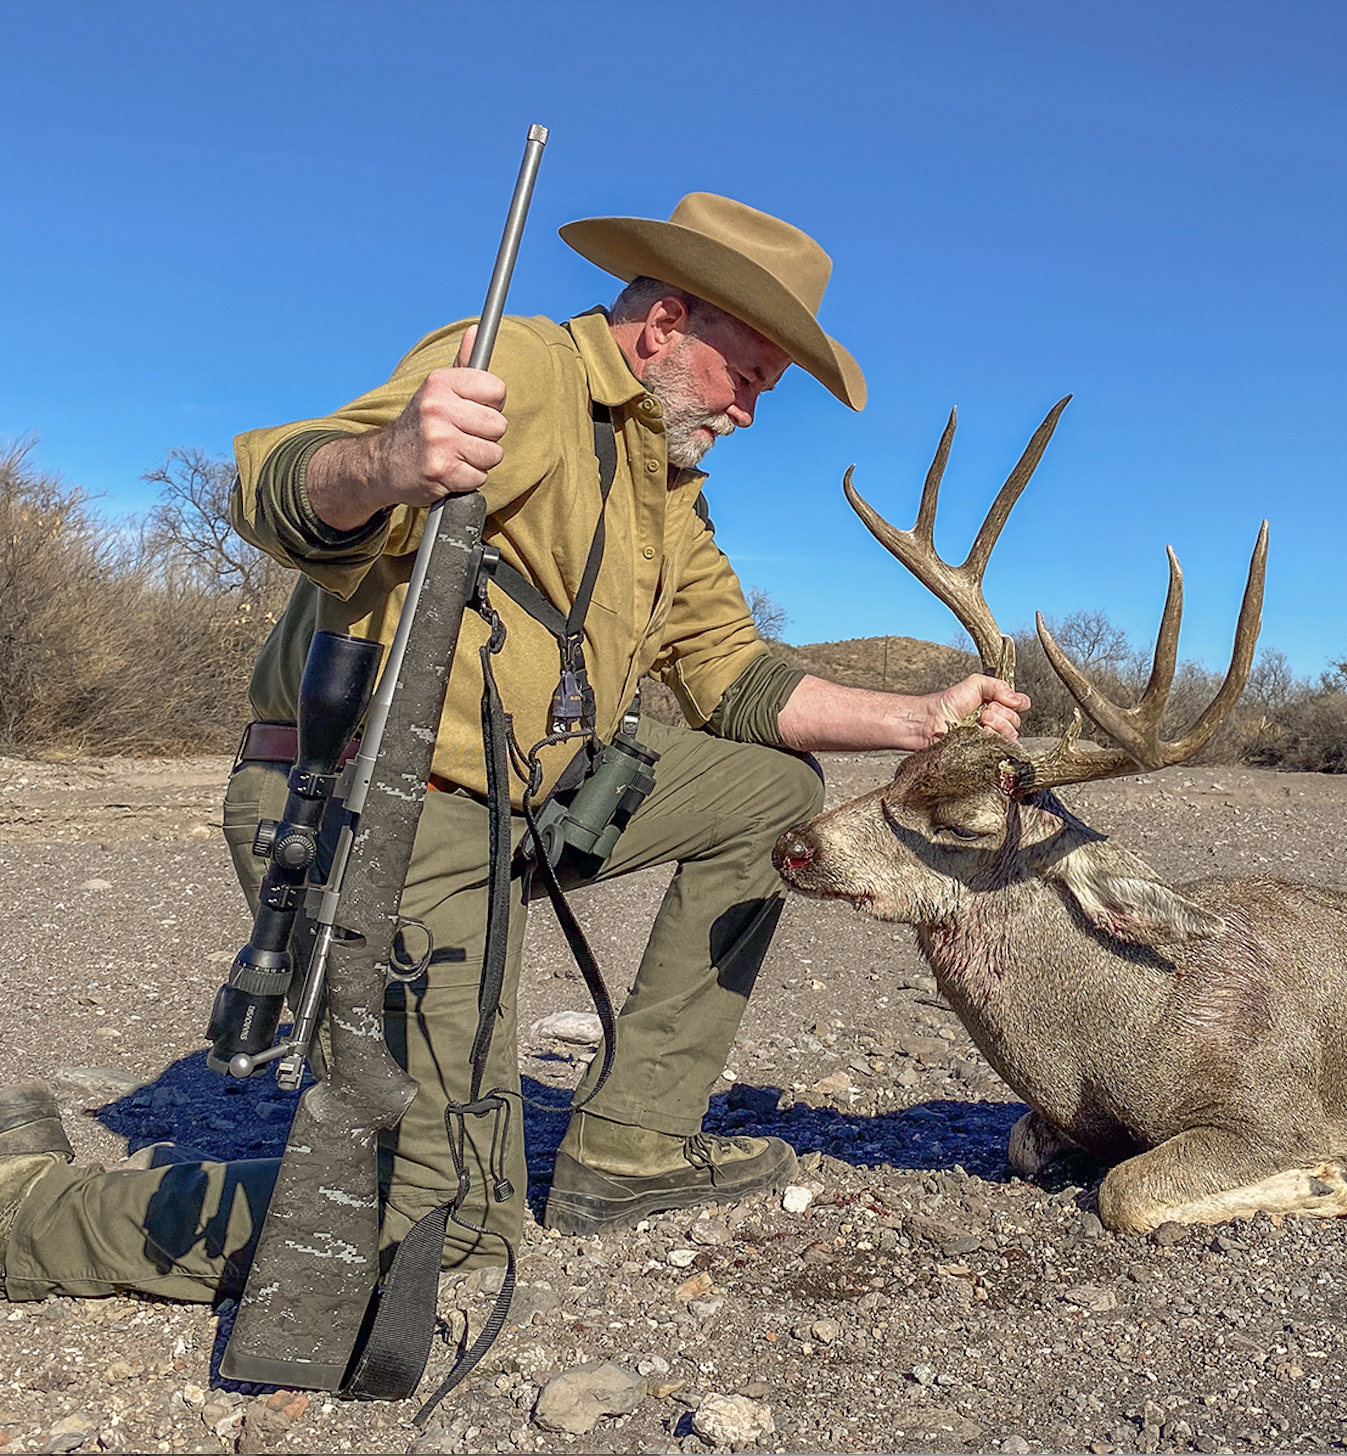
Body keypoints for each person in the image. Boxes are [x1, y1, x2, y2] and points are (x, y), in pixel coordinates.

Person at [0, 193, 1028, 1303]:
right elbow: (273, 481)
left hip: (529, 806)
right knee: (441, 1228)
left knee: (772, 789)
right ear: (668, 324)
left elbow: (738, 680)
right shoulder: (524, 370)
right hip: (376, 805)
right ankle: (30, 1214)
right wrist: (390, 461)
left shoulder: (668, 495)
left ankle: (630, 1147)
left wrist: (922, 718)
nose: (750, 412)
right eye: (753, 377)